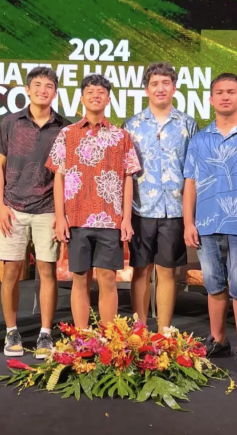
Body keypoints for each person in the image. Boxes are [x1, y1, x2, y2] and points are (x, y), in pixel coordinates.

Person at [183, 73, 237, 375]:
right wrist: (188, 223)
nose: (225, 96)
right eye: (219, 92)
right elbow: (191, 183)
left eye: (231, 92)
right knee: (214, 285)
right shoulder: (199, 139)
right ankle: (217, 338)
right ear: (210, 99)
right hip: (206, 223)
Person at [46, 74, 141, 328]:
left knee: (108, 278)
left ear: (108, 98)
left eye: (101, 91)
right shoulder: (67, 134)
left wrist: (126, 219)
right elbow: (59, 178)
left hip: (110, 219)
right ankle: (83, 337)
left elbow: (128, 177)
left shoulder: (121, 136)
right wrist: (60, 218)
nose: (95, 95)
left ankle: (108, 339)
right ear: (82, 98)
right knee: (80, 278)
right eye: (90, 91)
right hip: (76, 218)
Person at [0, 67, 71, 359]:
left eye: (48, 86)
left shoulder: (64, 127)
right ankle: (11, 331)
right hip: (12, 207)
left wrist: (61, 215)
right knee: (11, 271)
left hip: (48, 209)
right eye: (37, 85)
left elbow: (66, 175)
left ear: (55, 91)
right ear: (27, 90)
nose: (42, 90)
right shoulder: (11, 122)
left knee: (46, 271)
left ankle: (45, 334)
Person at [122, 62, 198, 331]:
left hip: (174, 210)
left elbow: (192, 172)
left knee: (167, 272)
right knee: (141, 270)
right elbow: (125, 173)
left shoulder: (188, 124)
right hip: (140, 209)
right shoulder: (132, 125)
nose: (160, 88)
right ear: (146, 90)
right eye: (154, 84)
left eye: (166, 83)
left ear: (174, 88)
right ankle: (139, 331)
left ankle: (165, 332)